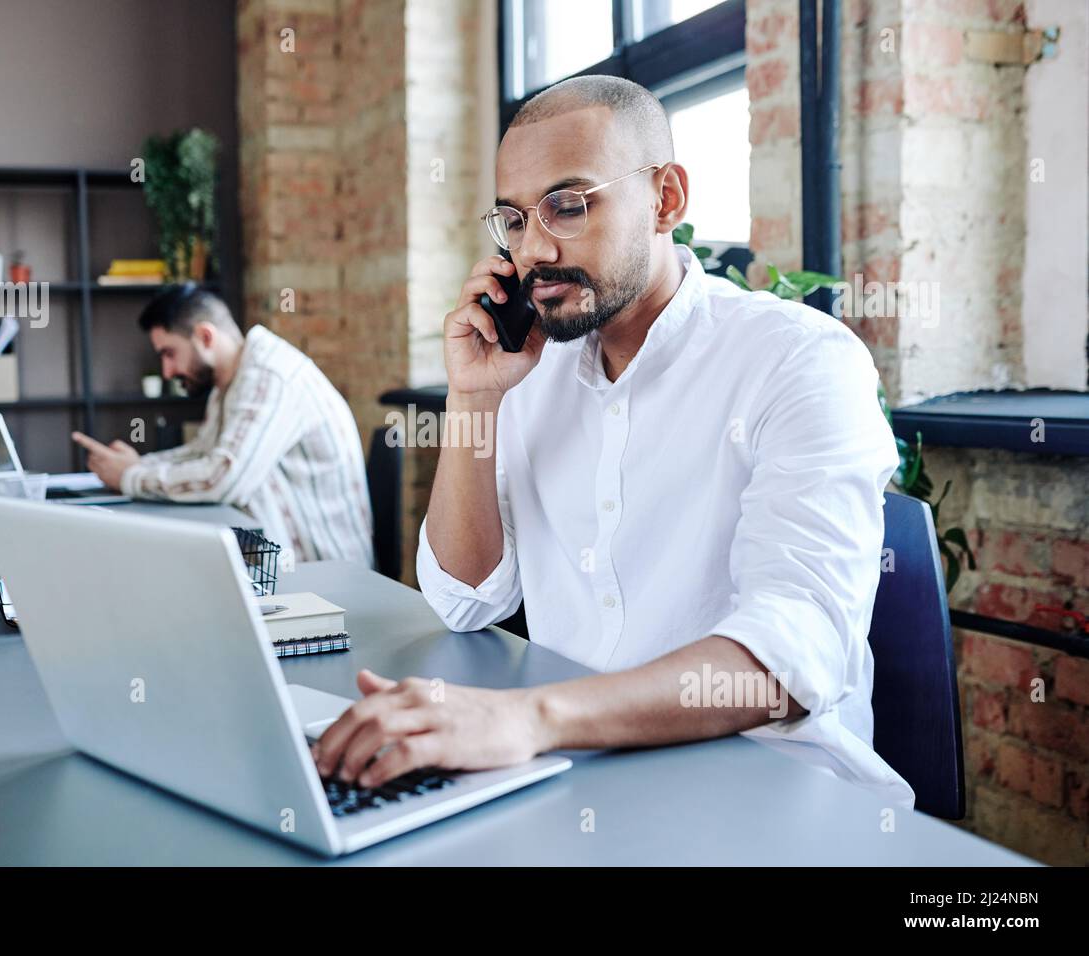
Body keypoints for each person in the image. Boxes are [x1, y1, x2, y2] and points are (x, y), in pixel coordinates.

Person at [310, 75, 913, 807]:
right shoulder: (531, 368)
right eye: (514, 219)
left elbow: (793, 655)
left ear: (666, 200)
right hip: (582, 771)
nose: (534, 249)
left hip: (770, 797)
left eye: (568, 206)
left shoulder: (799, 360)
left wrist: (532, 717)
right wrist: (473, 395)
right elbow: (464, 601)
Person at [71, 285, 372, 566]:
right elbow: (203, 453)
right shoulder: (228, 385)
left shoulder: (269, 376)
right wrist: (135, 464)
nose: (166, 371)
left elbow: (222, 477)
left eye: (169, 353)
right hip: (281, 564)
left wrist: (130, 477)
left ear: (205, 337)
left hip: (325, 573)